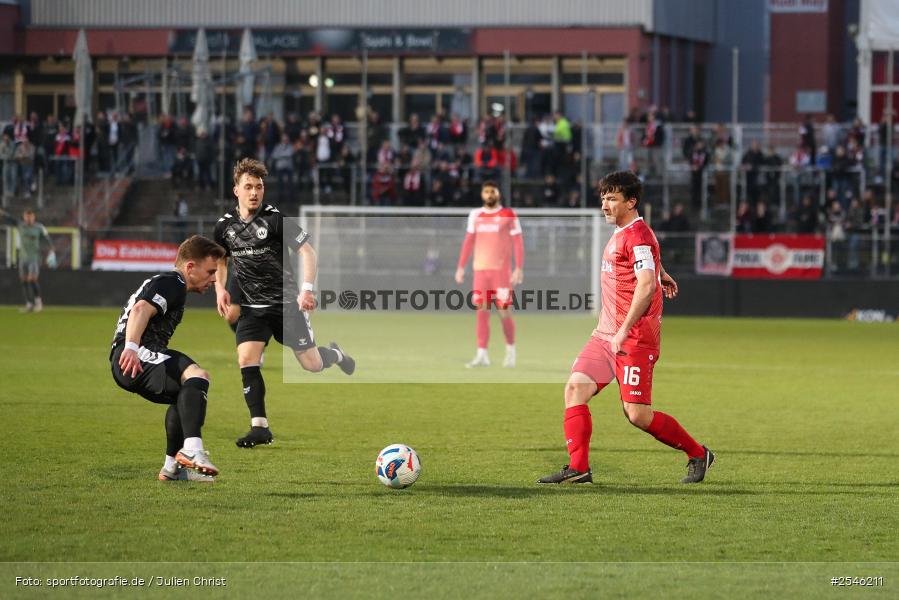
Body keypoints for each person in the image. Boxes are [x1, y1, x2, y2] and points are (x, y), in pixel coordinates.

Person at [537, 171, 714, 485]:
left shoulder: (637, 235)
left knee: (637, 415)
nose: (605, 205)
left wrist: (624, 329)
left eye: (612, 199)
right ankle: (579, 468)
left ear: (631, 202)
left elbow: (644, 287)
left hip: (633, 338)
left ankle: (698, 453)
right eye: (604, 198)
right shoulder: (625, 232)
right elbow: (646, 267)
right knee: (575, 389)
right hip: (606, 334)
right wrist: (663, 272)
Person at [214, 158, 356, 448]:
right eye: (249, 187)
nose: (255, 192)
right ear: (236, 191)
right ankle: (260, 427)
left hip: (286, 305)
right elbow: (219, 259)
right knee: (246, 359)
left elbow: (308, 253)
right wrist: (219, 289)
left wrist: (306, 290)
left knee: (312, 365)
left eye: (259, 186)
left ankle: (337, 355)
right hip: (253, 308)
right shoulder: (224, 227)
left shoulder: (276, 220)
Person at [109, 235, 225, 482]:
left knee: (185, 391)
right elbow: (141, 309)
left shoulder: (171, 284)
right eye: (210, 271)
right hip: (134, 353)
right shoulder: (173, 281)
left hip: (134, 353)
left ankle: (172, 469)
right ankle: (193, 450)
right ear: (190, 267)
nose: (214, 278)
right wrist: (131, 347)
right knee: (197, 375)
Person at [454, 180, 524, 368]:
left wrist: (518, 267)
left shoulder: (508, 214)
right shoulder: (475, 215)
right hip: (480, 272)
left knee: (503, 311)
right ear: (482, 194)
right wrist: (461, 267)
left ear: (498, 193)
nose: (489, 195)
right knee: (481, 311)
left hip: (501, 273)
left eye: (492, 191)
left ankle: (510, 350)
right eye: (486, 191)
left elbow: (517, 241)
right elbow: (468, 242)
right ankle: (482, 354)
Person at [0, 207, 57, 312]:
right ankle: (29, 304)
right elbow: (9, 218)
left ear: (34, 217)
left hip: (34, 258)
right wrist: (2, 213)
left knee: (32, 279)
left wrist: (51, 249)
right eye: (26, 217)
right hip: (23, 258)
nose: (28, 219)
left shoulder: (39, 227)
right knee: (24, 281)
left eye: (30, 217)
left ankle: (38, 302)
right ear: (24, 217)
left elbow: (47, 238)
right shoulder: (20, 225)